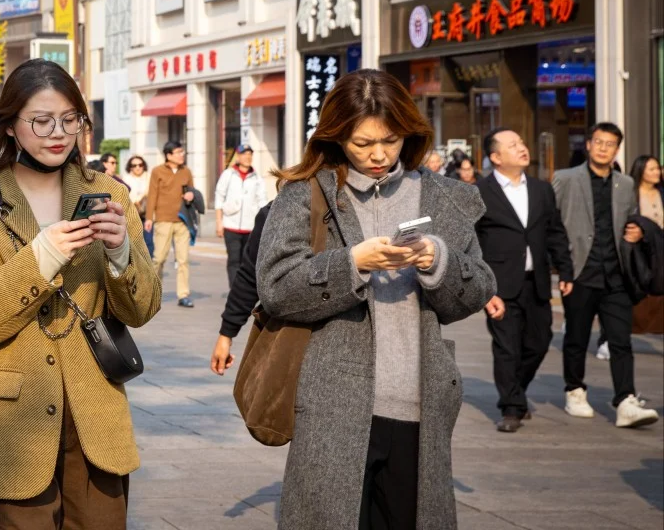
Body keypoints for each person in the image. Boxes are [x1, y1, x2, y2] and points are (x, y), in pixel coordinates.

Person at [256, 69, 496, 529]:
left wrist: (438, 259)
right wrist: (354, 263)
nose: (379, 155)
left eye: (390, 140)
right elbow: (276, 288)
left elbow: (478, 288)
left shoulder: (443, 197)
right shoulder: (306, 195)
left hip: (420, 404)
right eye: (362, 143)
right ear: (336, 136)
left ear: (409, 132)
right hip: (332, 406)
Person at [0, 58, 161, 527]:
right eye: (41, 121)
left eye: (69, 119)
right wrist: (41, 258)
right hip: (8, 424)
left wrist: (120, 252)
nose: (58, 133)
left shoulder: (111, 195)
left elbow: (142, 308)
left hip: (94, 415)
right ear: (10, 125)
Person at [552, 123, 658, 428]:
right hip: (580, 273)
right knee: (576, 337)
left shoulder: (626, 183)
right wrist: (561, 267)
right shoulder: (565, 178)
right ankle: (575, 390)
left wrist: (637, 232)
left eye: (610, 144)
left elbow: (630, 218)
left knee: (620, 341)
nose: (603, 148)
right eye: (598, 142)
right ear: (588, 144)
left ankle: (625, 401)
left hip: (616, 275)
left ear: (617, 150)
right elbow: (552, 225)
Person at [474, 128, 574, 433]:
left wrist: (565, 270)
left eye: (521, 142)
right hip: (500, 284)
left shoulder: (542, 189)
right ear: (495, 157)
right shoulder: (480, 192)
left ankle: (516, 390)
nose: (522, 147)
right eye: (513, 144)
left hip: (537, 281)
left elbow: (555, 232)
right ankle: (511, 408)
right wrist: (482, 285)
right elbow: (472, 241)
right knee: (507, 347)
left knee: (539, 342)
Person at [209, 204, 270, 376]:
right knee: (234, 261)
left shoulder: (275, 211)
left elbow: (249, 275)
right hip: (233, 225)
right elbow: (250, 275)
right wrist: (227, 332)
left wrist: (226, 334)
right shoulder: (276, 212)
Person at [146, 141, 196, 308]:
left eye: (182, 152)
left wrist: (191, 195)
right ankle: (153, 293)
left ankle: (183, 295)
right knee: (159, 259)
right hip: (163, 220)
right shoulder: (157, 171)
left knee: (183, 260)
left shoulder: (186, 171)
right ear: (168, 155)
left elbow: (192, 191)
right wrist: (149, 218)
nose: (182, 155)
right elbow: (152, 195)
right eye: (178, 152)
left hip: (183, 221)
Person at [214, 144, 267, 294]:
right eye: (244, 154)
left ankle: (245, 290)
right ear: (238, 156)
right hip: (230, 225)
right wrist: (219, 222)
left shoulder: (257, 178)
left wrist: (263, 225)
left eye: (250, 154)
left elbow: (262, 201)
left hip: (250, 228)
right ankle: (234, 290)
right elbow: (219, 197)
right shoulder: (228, 174)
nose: (247, 157)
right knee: (233, 260)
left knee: (247, 262)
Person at [629, 155, 663, 333]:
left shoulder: (661, 192)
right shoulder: (631, 195)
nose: (657, 172)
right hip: (641, 252)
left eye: (658, 168)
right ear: (641, 171)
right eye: (652, 169)